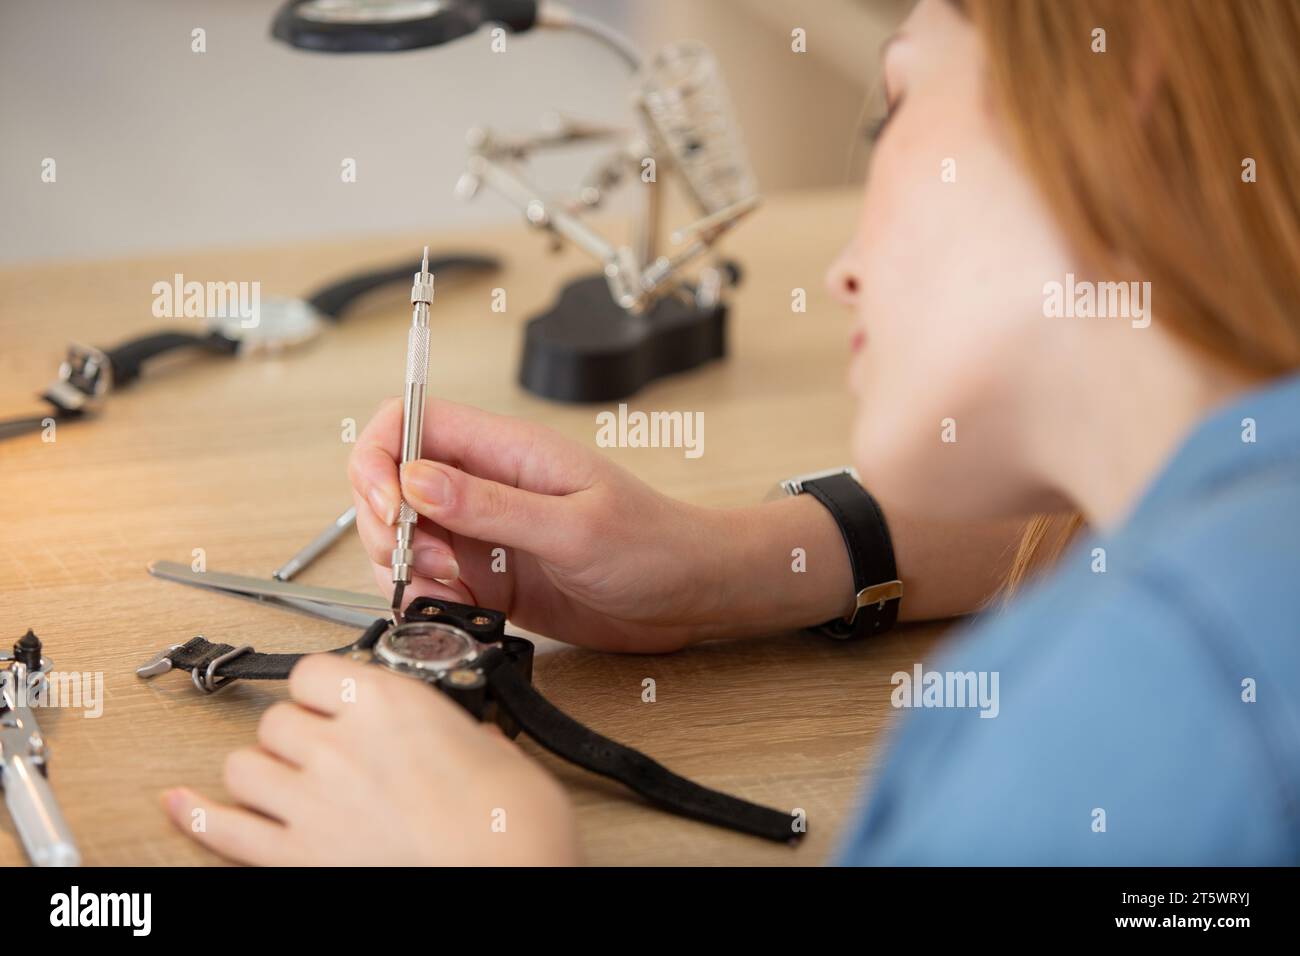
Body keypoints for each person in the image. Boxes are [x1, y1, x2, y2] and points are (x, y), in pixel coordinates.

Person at [163, 0, 1300, 865]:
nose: (841, 267)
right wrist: (730, 567)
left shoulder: (1140, 695)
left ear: (1116, 99)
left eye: (891, 106)